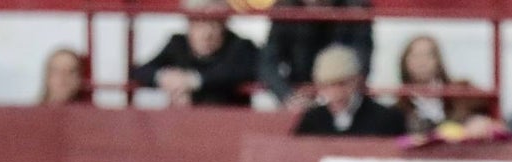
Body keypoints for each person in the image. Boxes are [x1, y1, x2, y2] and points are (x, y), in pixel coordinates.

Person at [130, 0, 259, 107]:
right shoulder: (178, 44)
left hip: (228, 127)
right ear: (189, 25)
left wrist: (192, 81)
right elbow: (140, 71)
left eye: (214, 24)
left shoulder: (240, 46)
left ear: (224, 26)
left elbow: (236, 72)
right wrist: (165, 77)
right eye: (200, 23)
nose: (207, 34)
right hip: (183, 125)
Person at [259, 0, 374, 111]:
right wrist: (288, 96)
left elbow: (361, 61)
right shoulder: (285, 8)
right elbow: (267, 64)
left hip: (343, 95)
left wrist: (335, 92)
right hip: (301, 92)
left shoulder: (356, 7)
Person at [292, 45, 405, 137]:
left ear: (356, 81)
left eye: (341, 84)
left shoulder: (387, 119)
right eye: (327, 86)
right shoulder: (311, 121)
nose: (335, 93)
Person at [394, 34, 492, 135]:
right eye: (415, 55)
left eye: (428, 55)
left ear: (438, 60)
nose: (422, 61)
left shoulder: (463, 91)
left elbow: (492, 116)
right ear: (405, 62)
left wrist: (478, 121)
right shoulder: (398, 109)